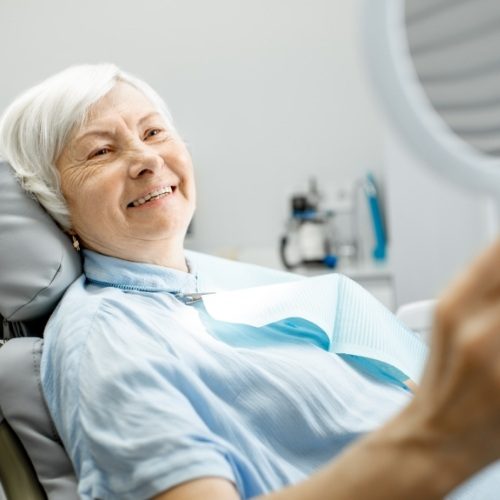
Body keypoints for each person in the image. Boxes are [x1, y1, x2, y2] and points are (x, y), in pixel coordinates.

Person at [1, 64, 500, 500]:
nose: (146, 159)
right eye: (101, 151)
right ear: (55, 203)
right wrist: (442, 439)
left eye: (154, 133)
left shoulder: (203, 282)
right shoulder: (107, 341)